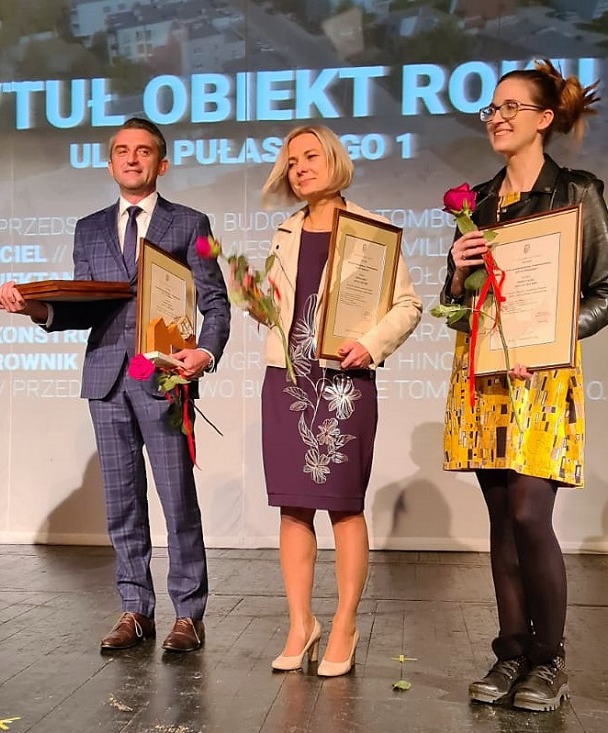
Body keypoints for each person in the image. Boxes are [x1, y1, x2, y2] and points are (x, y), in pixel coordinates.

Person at [0, 118, 230, 653]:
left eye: (143, 151)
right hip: (106, 380)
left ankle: (188, 613)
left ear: (161, 163)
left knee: (177, 500)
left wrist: (206, 352)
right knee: (122, 502)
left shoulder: (190, 222)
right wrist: (35, 308)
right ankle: (135, 608)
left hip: (164, 379)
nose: (131, 158)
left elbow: (215, 302)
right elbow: (88, 308)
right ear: (109, 163)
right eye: (122, 150)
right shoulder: (89, 228)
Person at [440, 60, 608, 711]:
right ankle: (511, 651)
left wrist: (552, 343)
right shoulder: (477, 204)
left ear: (544, 118)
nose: (497, 117)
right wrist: (455, 270)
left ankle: (549, 660)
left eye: (511, 107)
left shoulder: (576, 192)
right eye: (492, 108)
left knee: (528, 514)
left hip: (542, 384)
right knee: (500, 519)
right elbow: (456, 307)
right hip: (485, 379)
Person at [257, 125, 422, 676]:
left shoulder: (371, 230)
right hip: (288, 380)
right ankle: (300, 624)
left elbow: (407, 305)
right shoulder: (284, 232)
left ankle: (345, 623)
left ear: (334, 160)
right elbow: (282, 305)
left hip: (343, 382)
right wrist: (259, 306)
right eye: (292, 161)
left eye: (311, 156)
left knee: (344, 504)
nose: (300, 168)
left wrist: (371, 345)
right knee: (293, 505)